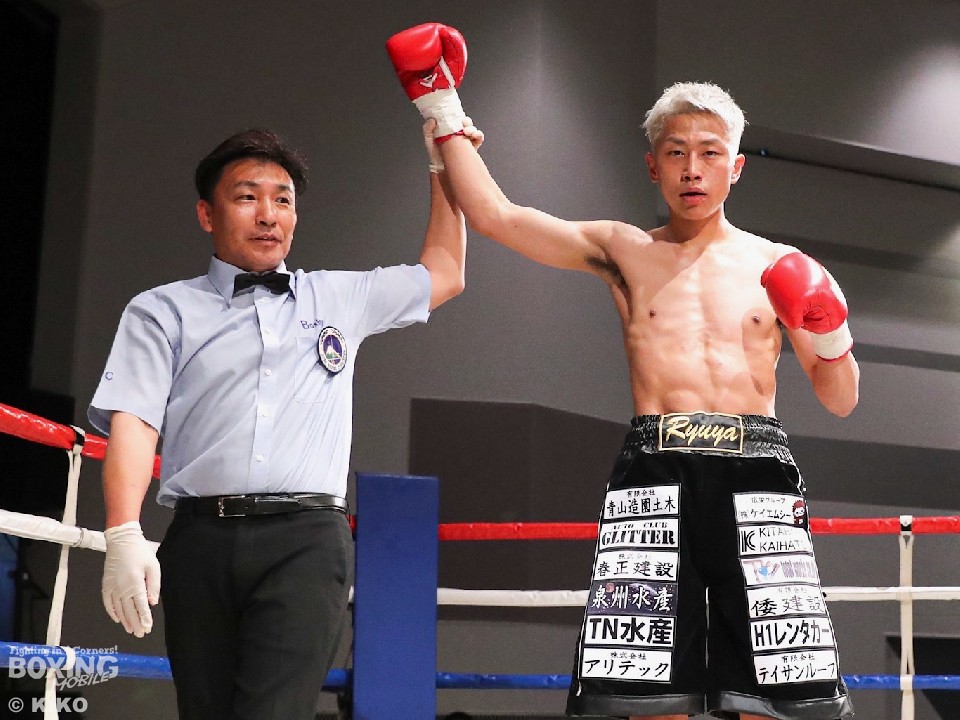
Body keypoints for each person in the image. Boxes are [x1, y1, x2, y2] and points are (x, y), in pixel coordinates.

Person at [387, 23, 857, 720]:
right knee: (647, 690)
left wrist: (831, 335)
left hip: (756, 468)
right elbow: (495, 216)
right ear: (652, 166)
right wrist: (439, 103)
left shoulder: (782, 266)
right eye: (676, 153)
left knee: (776, 694)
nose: (692, 170)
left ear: (736, 167)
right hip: (656, 466)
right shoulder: (622, 249)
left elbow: (840, 400)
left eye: (709, 153)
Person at [88, 122, 479, 720]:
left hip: (305, 542)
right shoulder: (161, 309)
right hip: (199, 539)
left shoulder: (338, 298)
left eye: (283, 200)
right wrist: (122, 533)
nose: (268, 214)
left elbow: (445, 274)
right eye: (247, 197)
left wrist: (442, 165)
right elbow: (135, 424)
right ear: (207, 214)